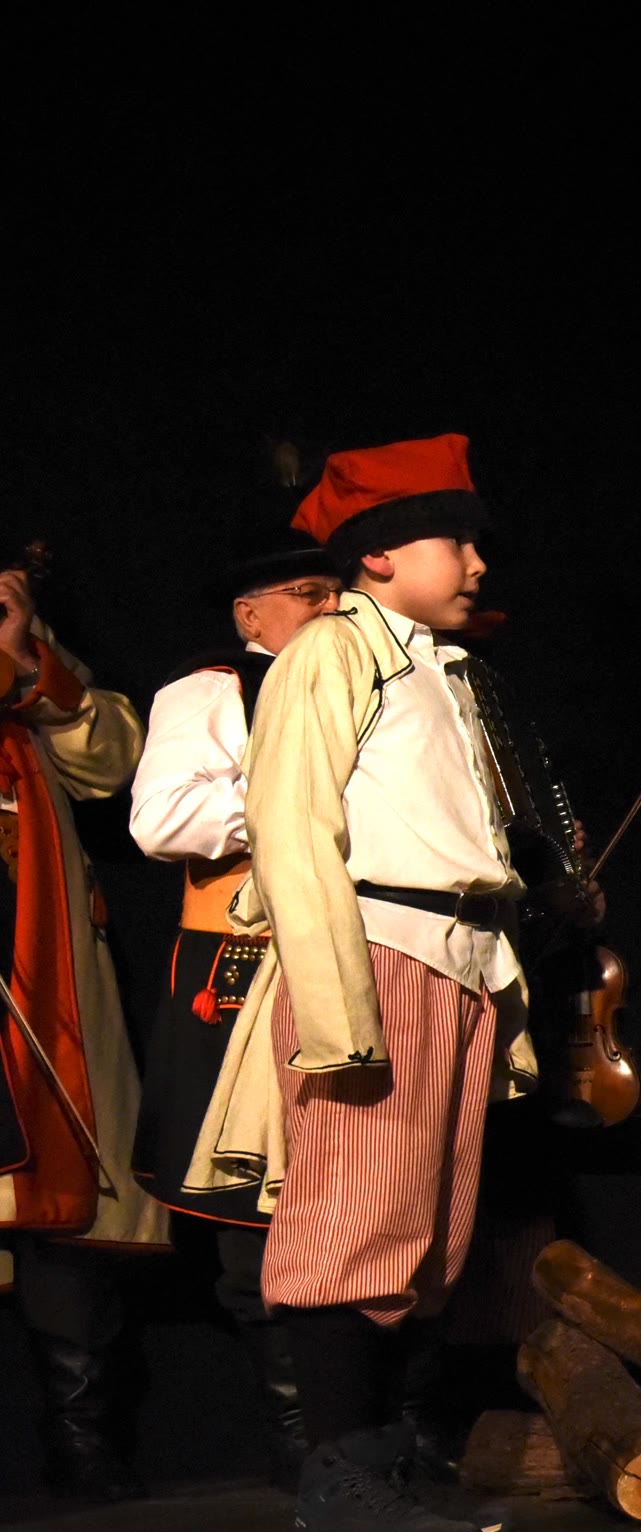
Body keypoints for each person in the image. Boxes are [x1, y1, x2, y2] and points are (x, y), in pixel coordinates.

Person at [240, 433, 529, 1532]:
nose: (477, 562)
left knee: (420, 1236)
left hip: (451, 957)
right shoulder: (330, 651)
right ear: (378, 555)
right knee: (351, 1220)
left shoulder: (442, 669)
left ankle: (381, 1461)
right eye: (455, 540)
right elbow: (289, 822)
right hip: (375, 952)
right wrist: (335, 1006)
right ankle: (336, 1487)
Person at [128, 537, 346, 1484]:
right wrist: (289, 788)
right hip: (245, 964)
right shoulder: (213, 691)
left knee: (363, 1190)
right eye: (307, 593)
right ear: (250, 613)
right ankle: (307, 1443)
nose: (330, 609)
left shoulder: (375, 686)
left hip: (357, 962)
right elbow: (161, 820)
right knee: (254, 1212)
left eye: (337, 592)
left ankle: (381, 1426)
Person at [0, 557, 170, 1499]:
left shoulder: (26, 645)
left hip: (39, 956)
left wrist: (28, 663)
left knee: (57, 1200)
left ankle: (83, 1448)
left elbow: (110, 764)